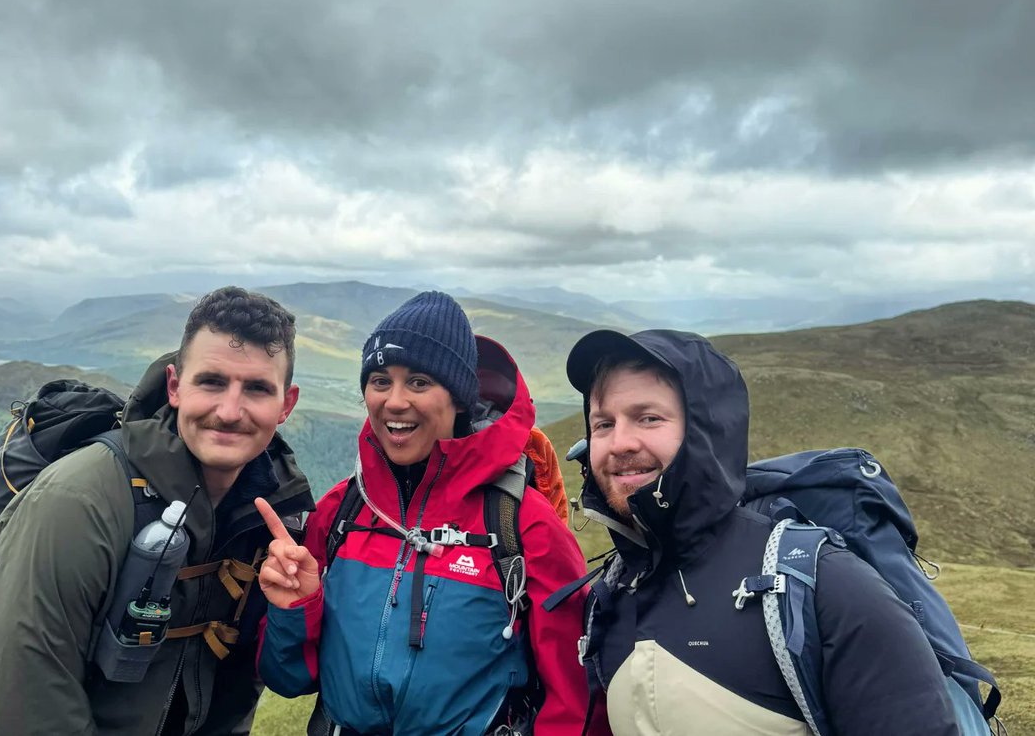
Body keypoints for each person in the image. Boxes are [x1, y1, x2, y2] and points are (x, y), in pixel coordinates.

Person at [564, 328, 960, 735]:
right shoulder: (611, 596)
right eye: (604, 424)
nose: (620, 442)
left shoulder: (828, 586)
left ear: (704, 431)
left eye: (649, 418)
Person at [0, 287, 315, 735]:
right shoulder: (78, 500)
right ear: (175, 387)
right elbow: (37, 709)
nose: (230, 411)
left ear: (286, 405)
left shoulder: (276, 514)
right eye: (211, 382)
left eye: (257, 389)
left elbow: (236, 687)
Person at [255, 291, 596, 735]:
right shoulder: (343, 510)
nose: (394, 401)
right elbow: (290, 678)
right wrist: (295, 608)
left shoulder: (523, 525)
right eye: (380, 380)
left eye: (418, 382)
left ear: (458, 398)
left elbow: (574, 702)